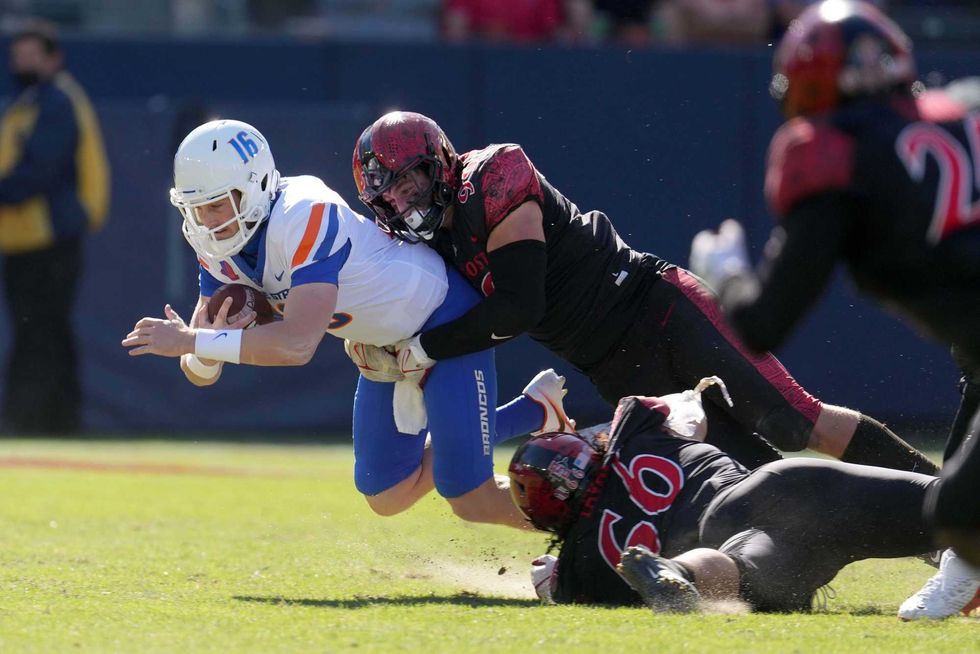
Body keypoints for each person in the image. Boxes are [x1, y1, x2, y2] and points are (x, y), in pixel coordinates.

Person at [348, 110, 938, 479]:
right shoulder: (425, 245)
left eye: (407, 180)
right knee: (752, 481)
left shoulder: (494, 176)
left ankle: (944, 506)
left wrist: (421, 349)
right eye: (389, 197)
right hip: (614, 370)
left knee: (792, 421)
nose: (401, 201)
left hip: (658, 314)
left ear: (439, 162)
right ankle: (907, 535)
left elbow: (519, 307)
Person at [120, 119, 573, 530]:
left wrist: (192, 340)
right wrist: (197, 346)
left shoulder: (304, 212)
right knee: (387, 493)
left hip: (440, 318)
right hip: (381, 342)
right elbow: (202, 370)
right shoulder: (218, 246)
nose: (206, 221)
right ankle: (533, 410)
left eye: (217, 205)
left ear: (254, 186)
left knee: (469, 496)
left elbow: (296, 344)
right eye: (196, 209)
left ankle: (581, 539)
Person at [686, 0, 980, 613]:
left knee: (961, 518)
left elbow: (764, 323)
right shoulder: (964, 112)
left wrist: (729, 276)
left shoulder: (836, 155)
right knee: (961, 514)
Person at [508, 382, 980, 617]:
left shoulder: (583, 561)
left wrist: (550, 579)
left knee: (740, 565)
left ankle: (678, 571)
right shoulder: (634, 429)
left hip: (736, 545)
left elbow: (562, 590)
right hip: (775, 489)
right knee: (954, 501)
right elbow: (689, 412)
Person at [0, 21, 109, 433]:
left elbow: (38, 171)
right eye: (18, 56)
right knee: (44, 331)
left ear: (53, 59)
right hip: (26, 237)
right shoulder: (28, 101)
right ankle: (57, 423)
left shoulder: (56, 101)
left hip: (48, 237)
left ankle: (34, 423)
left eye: (33, 56)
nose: (24, 63)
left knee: (39, 332)